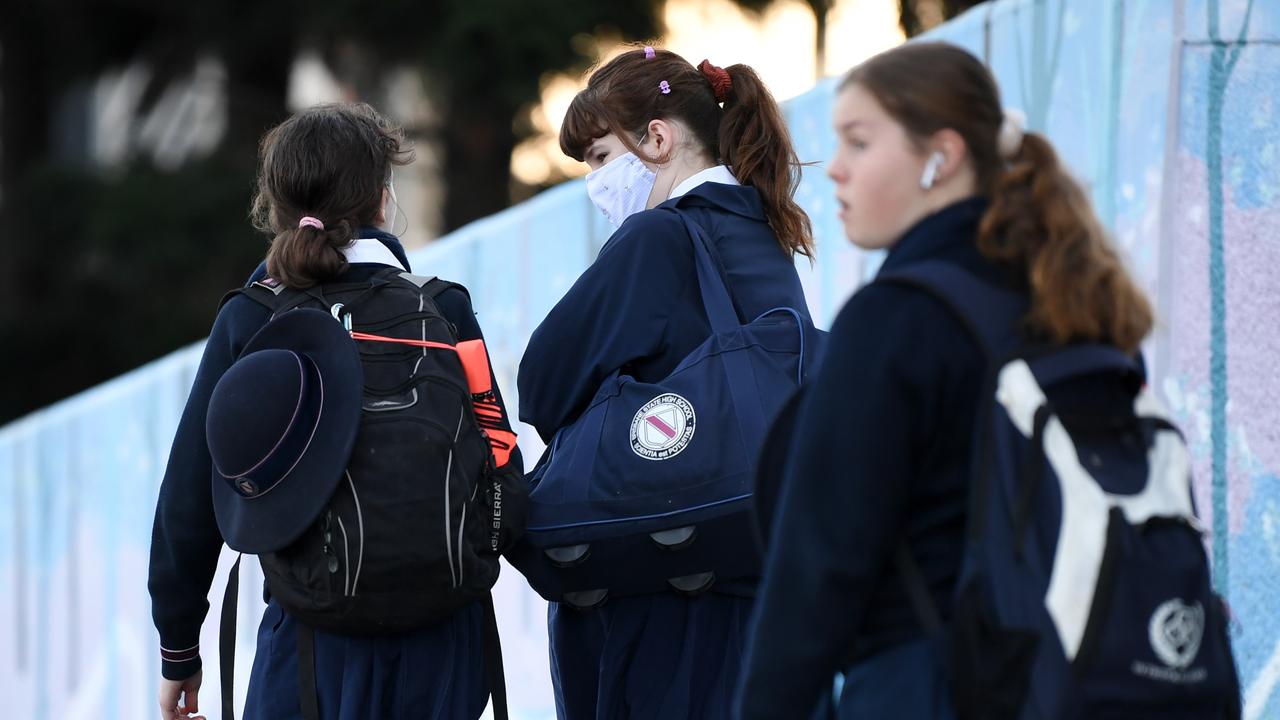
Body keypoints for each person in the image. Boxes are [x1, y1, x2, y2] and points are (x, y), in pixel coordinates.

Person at [736, 41, 1156, 718]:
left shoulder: (896, 319)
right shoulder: (1081, 303)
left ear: (943, 155)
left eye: (859, 143)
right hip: (1078, 680)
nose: (835, 170)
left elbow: (818, 572)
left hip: (929, 685)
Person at [148, 102, 520, 720]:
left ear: (279, 206)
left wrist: (179, 645)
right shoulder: (443, 309)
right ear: (381, 198)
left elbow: (191, 490)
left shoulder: (255, 316)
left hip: (312, 643)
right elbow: (500, 454)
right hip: (446, 640)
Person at [516, 45, 817, 719]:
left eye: (597, 158)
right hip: (764, 590)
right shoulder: (765, 235)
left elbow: (541, 385)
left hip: (666, 594)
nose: (593, 183)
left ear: (657, 138)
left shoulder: (659, 238)